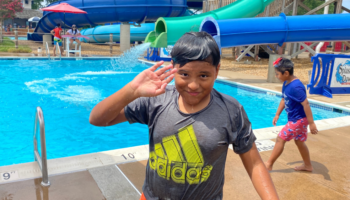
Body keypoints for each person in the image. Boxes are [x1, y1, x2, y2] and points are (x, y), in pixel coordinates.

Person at [89, 32, 279, 200]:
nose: (193, 85)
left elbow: (254, 164)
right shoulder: (156, 101)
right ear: (173, 68)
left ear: (217, 71)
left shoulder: (231, 111)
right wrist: (132, 91)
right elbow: (97, 119)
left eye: (203, 76)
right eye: (185, 74)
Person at [264, 58, 318, 172]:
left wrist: (312, 123)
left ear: (286, 73)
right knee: (299, 141)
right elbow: (284, 99)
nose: (276, 76)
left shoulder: (296, 87)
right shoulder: (286, 83)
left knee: (280, 139)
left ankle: (268, 165)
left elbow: (306, 104)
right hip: (296, 119)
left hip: (298, 120)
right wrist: (277, 114)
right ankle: (308, 165)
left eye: (278, 74)